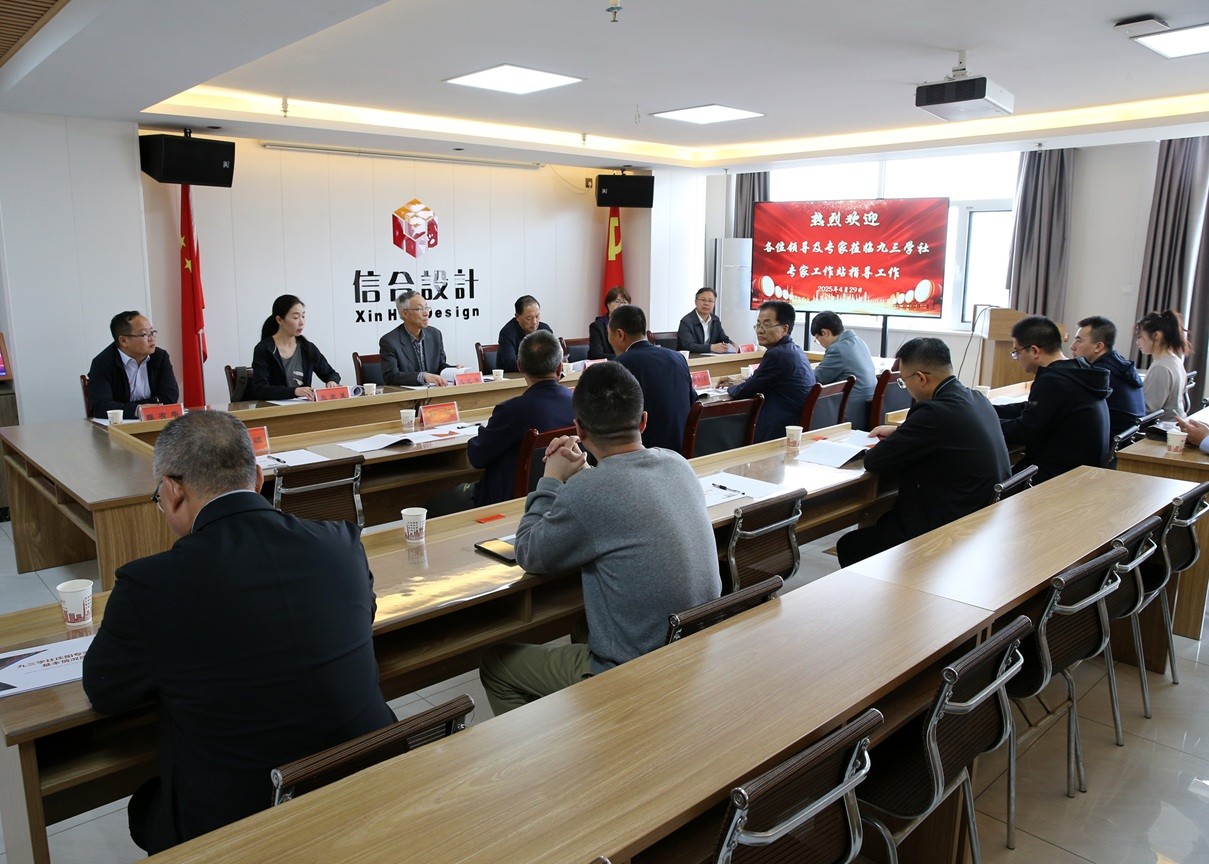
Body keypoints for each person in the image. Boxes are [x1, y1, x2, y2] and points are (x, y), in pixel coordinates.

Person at [81, 410, 394, 854]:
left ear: (172, 491)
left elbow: (105, 690)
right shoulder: (341, 542)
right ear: (259, 478)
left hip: (245, 828)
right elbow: (362, 618)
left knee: (146, 805)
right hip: (370, 782)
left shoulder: (149, 584)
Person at [479, 362, 721, 714]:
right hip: (693, 646)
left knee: (497, 664)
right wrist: (586, 472)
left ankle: (579, 741)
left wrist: (550, 479)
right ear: (643, 421)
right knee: (582, 625)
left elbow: (528, 552)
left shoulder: (591, 492)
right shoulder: (677, 463)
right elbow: (617, 494)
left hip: (640, 668)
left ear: (579, 428)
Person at [836, 338, 1011, 567]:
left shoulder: (933, 413)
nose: (905, 387)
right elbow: (948, 432)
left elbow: (875, 461)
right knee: (884, 519)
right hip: (981, 515)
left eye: (903, 381)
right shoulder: (976, 398)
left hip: (950, 528)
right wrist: (903, 431)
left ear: (921, 378)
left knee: (851, 545)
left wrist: (905, 433)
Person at [464, 331, 575, 509]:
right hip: (565, 499)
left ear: (520, 366)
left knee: (435, 503)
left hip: (511, 504)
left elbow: (477, 458)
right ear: (560, 368)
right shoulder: (578, 403)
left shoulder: (511, 410)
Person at [995, 315, 1111, 482]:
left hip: (1062, 478)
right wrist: (987, 409)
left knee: (987, 485)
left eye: (1017, 352)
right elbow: (1034, 409)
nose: (1017, 358)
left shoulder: (1053, 381)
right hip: (1082, 471)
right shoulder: (1076, 370)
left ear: (1034, 351)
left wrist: (984, 422)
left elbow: (1023, 432)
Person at [716, 301, 816, 443]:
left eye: (767, 325)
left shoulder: (777, 354)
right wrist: (737, 382)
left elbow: (744, 392)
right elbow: (760, 381)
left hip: (778, 428)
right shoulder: (794, 349)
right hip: (794, 422)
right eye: (758, 324)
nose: (760, 330)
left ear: (784, 329)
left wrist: (731, 388)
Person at [609, 303, 696, 452]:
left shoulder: (619, 365)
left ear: (620, 334)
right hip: (682, 451)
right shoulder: (678, 358)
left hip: (645, 454)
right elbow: (692, 400)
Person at [87, 311, 180, 418]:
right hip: (120, 426)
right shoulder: (102, 363)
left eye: (152, 332)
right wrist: (138, 410)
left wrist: (127, 407)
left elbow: (170, 396)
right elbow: (101, 406)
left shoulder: (160, 357)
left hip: (154, 421)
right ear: (123, 341)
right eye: (144, 334)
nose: (152, 338)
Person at [250, 294, 341, 400]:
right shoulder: (265, 349)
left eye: (303, 316)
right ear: (279, 320)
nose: (301, 322)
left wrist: (332, 381)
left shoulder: (307, 348)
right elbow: (260, 389)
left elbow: (331, 374)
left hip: (303, 406)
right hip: (275, 407)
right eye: (296, 317)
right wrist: (294, 391)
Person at [1070, 315, 1146, 436]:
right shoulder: (1121, 365)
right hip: (1128, 440)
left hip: (1110, 441)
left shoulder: (1100, 375)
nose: (1072, 346)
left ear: (1098, 347)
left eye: (1079, 340)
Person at [809, 310, 877, 429]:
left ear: (825, 332)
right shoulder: (859, 342)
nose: (819, 343)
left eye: (817, 339)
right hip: (868, 407)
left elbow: (816, 378)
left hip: (849, 411)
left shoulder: (837, 349)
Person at [380, 289, 455, 386]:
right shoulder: (389, 341)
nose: (426, 313)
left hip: (434, 392)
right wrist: (423, 377)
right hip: (408, 394)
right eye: (420, 309)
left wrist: (454, 371)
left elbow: (440, 366)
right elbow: (391, 377)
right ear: (405, 313)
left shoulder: (435, 334)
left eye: (426, 308)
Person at [1136, 309, 1190, 421]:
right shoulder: (1174, 360)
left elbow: (1148, 411)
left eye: (1140, 336)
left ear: (1156, 336)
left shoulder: (1161, 367)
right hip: (1175, 423)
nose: (1138, 342)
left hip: (1163, 427)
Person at [497, 295, 554, 373]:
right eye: (529, 318)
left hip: (541, 375)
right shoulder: (507, 333)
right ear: (517, 317)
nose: (534, 322)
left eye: (537, 316)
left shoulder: (545, 329)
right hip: (514, 377)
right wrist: (541, 365)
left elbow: (554, 355)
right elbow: (510, 363)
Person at [676, 287, 735, 354]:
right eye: (703, 300)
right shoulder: (686, 321)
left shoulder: (715, 320)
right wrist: (711, 348)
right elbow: (688, 345)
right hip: (690, 358)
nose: (706, 303)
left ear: (714, 304)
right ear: (696, 302)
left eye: (710, 301)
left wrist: (733, 345)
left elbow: (723, 339)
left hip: (709, 358)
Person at [588, 286, 630, 359]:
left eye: (624, 302)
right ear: (608, 304)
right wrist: (624, 357)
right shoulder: (597, 326)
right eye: (617, 301)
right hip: (606, 365)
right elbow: (596, 355)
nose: (621, 305)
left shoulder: (630, 326)